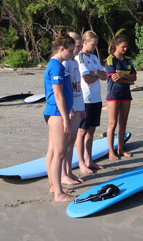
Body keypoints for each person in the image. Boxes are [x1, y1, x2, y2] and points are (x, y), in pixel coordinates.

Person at [43, 29, 75, 202]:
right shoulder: (56, 66)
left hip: (54, 113)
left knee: (54, 151)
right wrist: (65, 116)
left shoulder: (58, 65)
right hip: (56, 113)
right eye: (70, 50)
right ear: (62, 48)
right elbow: (58, 94)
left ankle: (53, 186)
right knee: (60, 153)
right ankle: (58, 193)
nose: (72, 53)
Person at [75, 31, 106, 174]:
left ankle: (89, 160)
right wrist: (95, 74)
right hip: (85, 99)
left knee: (92, 130)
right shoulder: (79, 57)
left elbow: (104, 76)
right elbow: (86, 78)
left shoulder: (94, 57)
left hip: (96, 98)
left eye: (96, 44)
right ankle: (81, 162)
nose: (95, 47)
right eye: (93, 44)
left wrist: (94, 73)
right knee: (82, 131)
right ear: (85, 42)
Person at [105, 34, 137, 160]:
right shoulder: (110, 60)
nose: (125, 49)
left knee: (123, 123)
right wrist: (128, 80)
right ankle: (111, 152)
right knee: (112, 123)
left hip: (126, 95)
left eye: (126, 47)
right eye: (123, 47)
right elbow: (114, 79)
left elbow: (134, 77)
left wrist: (124, 77)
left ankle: (121, 149)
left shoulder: (128, 60)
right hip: (113, 95)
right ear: (116, 46)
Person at [61, 32, 86, 185]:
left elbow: (78, 87)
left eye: (79, 46)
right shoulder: (64, 63)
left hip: (78, 105)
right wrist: (69, 110)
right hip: (69, 108)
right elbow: (64, 89)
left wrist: (81, 107)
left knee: (72, 141)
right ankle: (63, 174)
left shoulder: (75, 62)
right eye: (76, 46)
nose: (77, 49)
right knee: (65, 142)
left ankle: (69, 171)